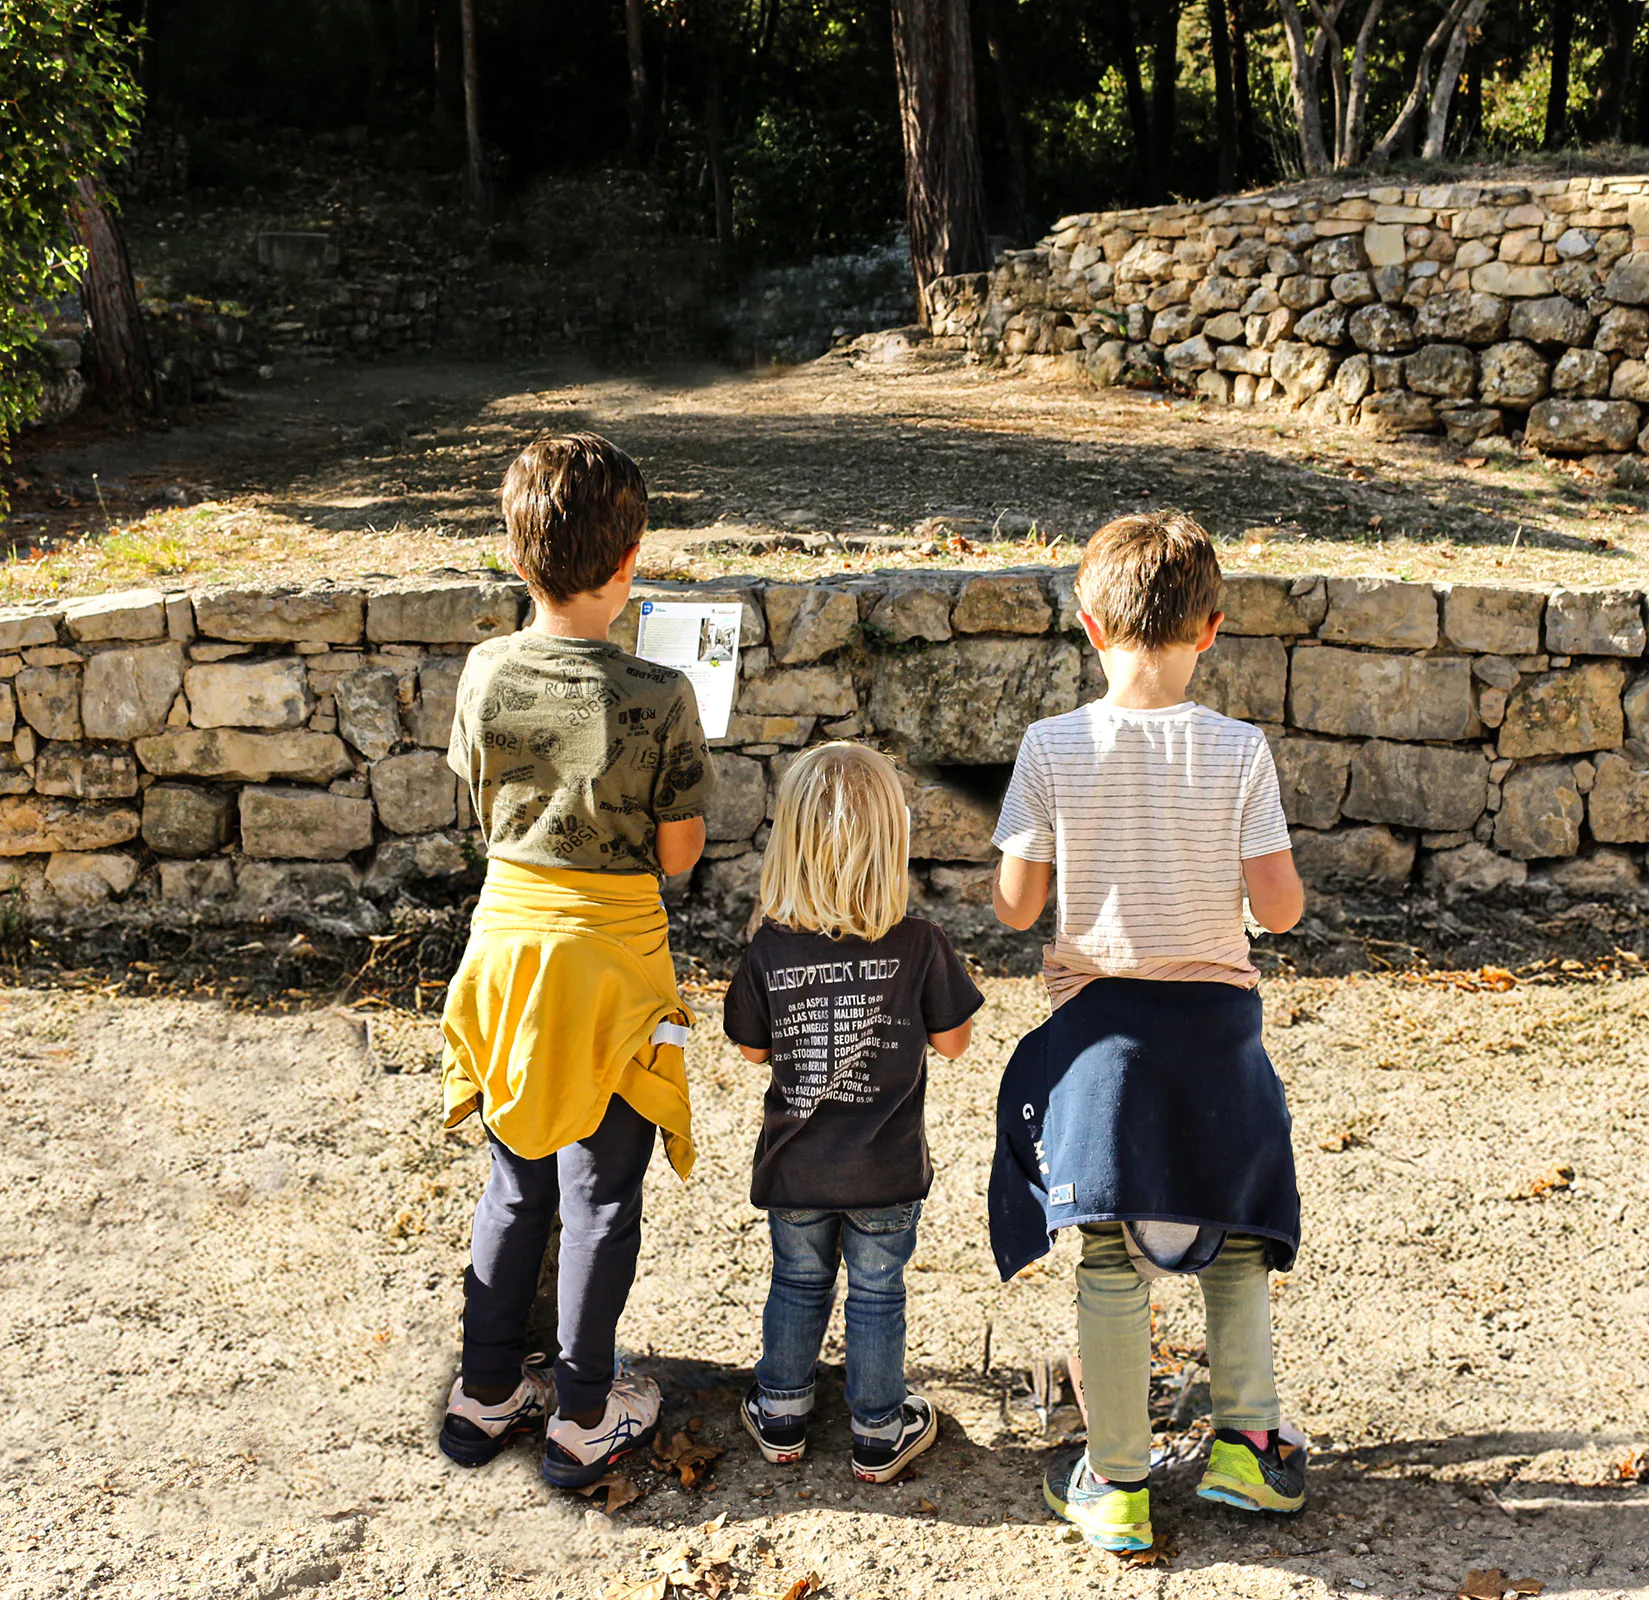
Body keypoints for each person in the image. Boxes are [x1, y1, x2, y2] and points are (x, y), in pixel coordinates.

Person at [986, 511, 1309, 1552]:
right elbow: (1284, 907)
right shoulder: (1242, 750)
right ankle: (1246, 1450)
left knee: (1108, 1255)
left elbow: (1015, 905)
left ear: (1089, 625)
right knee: (1239, 1236)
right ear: (1211, 629)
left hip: (1100, 1037)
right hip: (1216, 1028)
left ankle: (1117, 1479)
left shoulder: (1051, 746)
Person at [436, 432, 714, 1489]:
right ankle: (588, 1409)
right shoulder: (662, 693)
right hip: (612, 965)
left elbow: (485, 801)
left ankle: (487, 1387)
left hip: (508, 947)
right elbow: (679, 857)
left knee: (515, 1182)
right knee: (602, 1192)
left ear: (515, 558)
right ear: (631, 557)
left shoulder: (484, 672)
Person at [722, 741, 984, 1483]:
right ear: (890, 842)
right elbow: (956, 1042)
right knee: (878, 1290)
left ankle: (781, 1412)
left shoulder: (767, 949)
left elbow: (750, 1051)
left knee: (797, 1282)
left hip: (797, 1168)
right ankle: (877, 1428)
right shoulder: (920, 943)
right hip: (886, 1170)